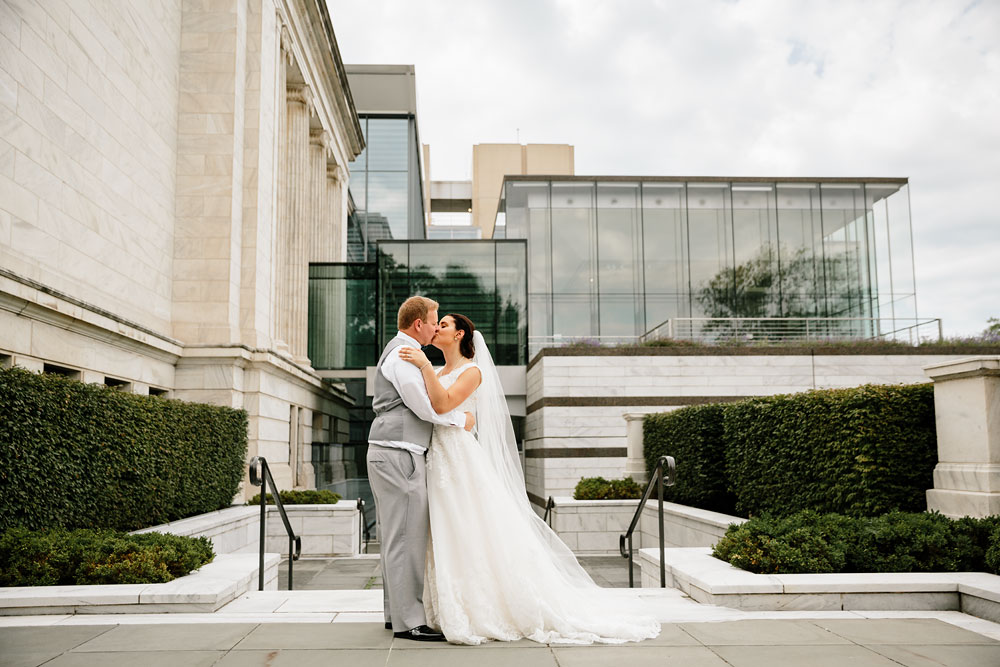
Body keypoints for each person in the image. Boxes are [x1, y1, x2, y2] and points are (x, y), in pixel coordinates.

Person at [397, 313, 661, 645]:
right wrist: (456, 413)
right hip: (435, 456)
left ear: (459, 334)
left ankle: (485, 607)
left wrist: (425, 369)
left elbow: (442, 402)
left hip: (459, 459)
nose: (436, 329)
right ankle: (444, 606)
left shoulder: (472, 371)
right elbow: (432, 410)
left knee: (467, 526)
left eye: (444, 325)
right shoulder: (438, 371)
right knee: (445, 530)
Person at [366, 296, 476, 642]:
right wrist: (463, 421)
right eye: (434, 320)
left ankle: (395, 614)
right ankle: (409, 621)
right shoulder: (403, 356)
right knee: (406, 539)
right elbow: (426, 407)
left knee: (395, 537)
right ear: (419, 324)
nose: (436, 326)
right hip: (399, 454)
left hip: (393, 452)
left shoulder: (405, 353)